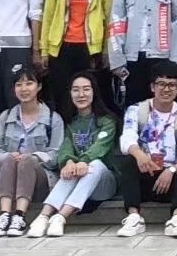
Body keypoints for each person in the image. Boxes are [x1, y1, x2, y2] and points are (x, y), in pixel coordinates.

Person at [27, 73, 120, 237]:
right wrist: (68, 162)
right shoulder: (70, 122)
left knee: (94, 165)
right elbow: (66, 147)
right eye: (76, 90)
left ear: (94, 92)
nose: (81, 94)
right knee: (70, 169)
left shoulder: (107, 121)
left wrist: (83, 161)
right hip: (78, 180)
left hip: (104, 183)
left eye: (86, 89)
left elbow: (100, 147)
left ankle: (61, 217)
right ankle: (43, 216)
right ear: (70, 93)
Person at [115, 66, 177, 239]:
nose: (166, 89)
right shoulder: (137, 110)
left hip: (170, 179)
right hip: (144, 172)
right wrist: (139, 155)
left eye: (172, 85)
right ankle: (134, 217)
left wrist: (171, 170)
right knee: (128, 161)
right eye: (161, 84)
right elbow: (127, 139)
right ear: (152, 87)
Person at [38, 0, 110, 116]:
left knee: (92, 97)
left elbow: (110, 16)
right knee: (63, 98)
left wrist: (107, 49)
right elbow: (48, 15)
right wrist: (44, 50)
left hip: (91, 48)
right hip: (62, 47)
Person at [0, 66, 64, 237]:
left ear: (39, 87)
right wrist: (9, 156)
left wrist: (33, 157)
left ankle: (19, 216)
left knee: (27, 161)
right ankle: (4, 215)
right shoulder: (5, 117)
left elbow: (56, 154)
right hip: (10, 178)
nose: (24, 89)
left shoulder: (53, 118)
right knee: (8, 158)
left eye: (29, 83)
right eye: (19, 85)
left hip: (41, 179)